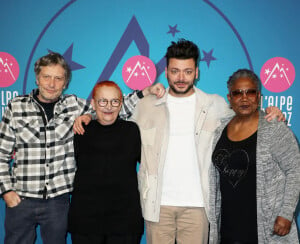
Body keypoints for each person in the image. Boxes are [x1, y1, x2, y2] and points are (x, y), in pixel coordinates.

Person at [130, 40, 284, 244]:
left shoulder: (215, 104)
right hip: (157, 205)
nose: (181, 78)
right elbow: (112, 112)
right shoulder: (147, 105)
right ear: (166, 72)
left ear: (197, 73)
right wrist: (87, 117)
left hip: (198, 205)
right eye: (175, 71)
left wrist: (269, 112)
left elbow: (245, 111)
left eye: (187, 71)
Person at [0, 52, 164, 244]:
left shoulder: (74, 105)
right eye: (46, 77)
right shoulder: (16, 106)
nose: (52, 84)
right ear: (37, 78)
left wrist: (146, 92)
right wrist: (6, 191)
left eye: (58, 78)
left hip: (58, 200)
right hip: (21, 198)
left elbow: (111, 107)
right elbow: (1, 154)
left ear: (65, 82)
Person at [209, 69, 300, 244]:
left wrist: (286, 213)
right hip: (228, 225)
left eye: (250, 92)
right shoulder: (220, 130)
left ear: (258, 96)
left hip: (265, 226)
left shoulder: (274, 128)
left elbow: (295, 171)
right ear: (229, 99)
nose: (244, 98)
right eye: (237, 93)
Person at [68, 81, 144, 244]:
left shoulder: (132, 131)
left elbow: (149, 165)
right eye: (103, 101)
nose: (108, 106)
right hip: (85, 222)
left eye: (114, 101)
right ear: (93, 104)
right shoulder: (79, 130)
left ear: (120, 104)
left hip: (125, 222)